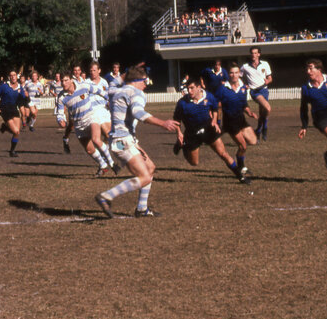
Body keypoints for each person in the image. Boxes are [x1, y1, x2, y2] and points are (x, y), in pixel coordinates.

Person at [94, 64, 180, 218]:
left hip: (121, 139)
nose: (146, 85)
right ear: (136, 81)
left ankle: (142, 208)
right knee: (144, 177)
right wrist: (163, 123)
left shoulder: (114, 90)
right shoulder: (136, 93)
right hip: (123, 140)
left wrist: (129, 72)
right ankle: (106, 196)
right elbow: (138, 113)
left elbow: (114, 81)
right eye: (145, 81)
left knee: (150, 167)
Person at [172, 75, 247, 183]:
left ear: (199, 87)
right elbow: (176, 120)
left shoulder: (209, 96)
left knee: (223, 153)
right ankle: (183, 146)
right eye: (188, 88)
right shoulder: (182, 103)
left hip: (208, 129)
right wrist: (179, 133)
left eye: (192, 88)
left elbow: (215, 108)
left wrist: (214, 121)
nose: (189, 91)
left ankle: (240, 176)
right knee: (194, 163)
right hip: (192, 133)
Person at [60, 73, 119, 176]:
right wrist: (60, 119)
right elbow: (59, 112)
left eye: (66, 80)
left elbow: (98, 91)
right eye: (62, 81)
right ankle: (103, 165)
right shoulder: (61, 97)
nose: (63, 83)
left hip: (91, 117)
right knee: (89, 149)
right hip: (78, 124)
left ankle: (112, 163)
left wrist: (108, 99)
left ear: (71, 80)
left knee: (96, 139)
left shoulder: (83, 86)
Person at [214, 63, 259, 180]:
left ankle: (240, 162)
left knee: (253, 141)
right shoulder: (222, 89)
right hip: (231, 122)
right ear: (228, 74)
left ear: (239, 73)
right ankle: (241, 166)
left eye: (236, 72)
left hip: (241, 120)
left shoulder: (243, 88)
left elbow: (244, 104)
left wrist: (249, 112)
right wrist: (215, 121)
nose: (234, 75)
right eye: (231, 73)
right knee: (243, 146)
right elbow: (215, 105)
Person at [0, 70, 28, 157]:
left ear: (17, 76)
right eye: (11, 75)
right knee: (15, 130)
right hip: (4, 109)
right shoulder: (4, 86)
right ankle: (6, 127)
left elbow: (23, 100)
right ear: (9, 77)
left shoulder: (20, 88)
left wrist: (27, 97)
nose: (13, 77)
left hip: (14, 109)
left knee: (17, 132)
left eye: (14, 75)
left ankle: (12, 151)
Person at [242, 47, 274, 140]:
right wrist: (244, 85)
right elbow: (238, 76)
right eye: (252, 53)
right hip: (255, 91)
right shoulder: (245, 66)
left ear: (259, 54)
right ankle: (264, 128)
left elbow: (270, 78)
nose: (254, 55)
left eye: (255, 53)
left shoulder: (265, 64)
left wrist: (268, 81)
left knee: (263, 112)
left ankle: (258, 131)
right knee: (268, 108)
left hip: (264, 90)